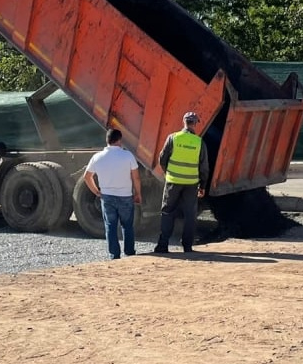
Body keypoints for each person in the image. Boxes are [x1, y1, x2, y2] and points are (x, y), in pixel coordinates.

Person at [154, 111, 210, 254]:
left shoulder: (173, 138)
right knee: (190, 215)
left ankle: (163, 245)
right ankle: (187, 246)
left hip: (173, 181)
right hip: (191, 183)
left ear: (183, 122)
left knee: (167, 212)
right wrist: (202, 186)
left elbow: (162, 159)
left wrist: (169, 173)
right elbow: (204, 167)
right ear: (195, 124)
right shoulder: (199, 142)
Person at [83, 128, 142, 259]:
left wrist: (96, 191)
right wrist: (138, 193)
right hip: (126, 196)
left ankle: (114, 255)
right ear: (120, 140)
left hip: (107, 197)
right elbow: (136, 178)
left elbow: (87, 177)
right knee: (127, 225)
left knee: (110, 226)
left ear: (107, 140)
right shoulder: (128, 156)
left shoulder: (97, 157)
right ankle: (130, 252)